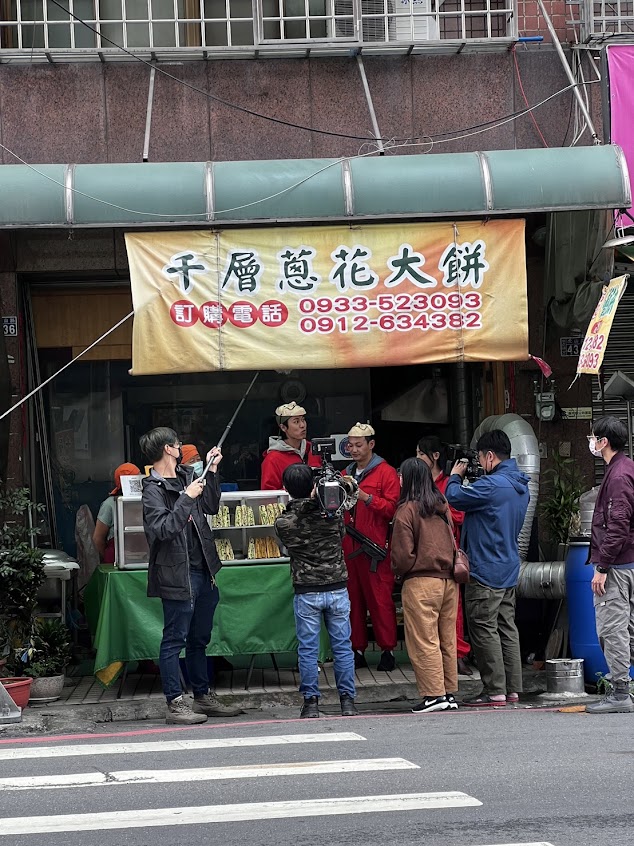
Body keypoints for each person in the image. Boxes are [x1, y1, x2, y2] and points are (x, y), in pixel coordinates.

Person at [140, 426, 241, 725]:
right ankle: (175, 702)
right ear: (168, 449)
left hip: (203, 570)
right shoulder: (153, 489)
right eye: (177, 443)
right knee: (174, 639)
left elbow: (209, 505)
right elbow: (162, 530)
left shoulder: (186, 475)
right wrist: (185, 498)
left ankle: (203, 695)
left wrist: (212, 472)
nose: (181, 446)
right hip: (177, 574)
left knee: (199, 638)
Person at [445, 429, 529, 707]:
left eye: (481, 459)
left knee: (484, 628)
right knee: (507, 628)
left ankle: (494, 690)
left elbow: (454, 496)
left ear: (490, 456)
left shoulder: (493, 486)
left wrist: (456, 474)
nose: (480, 464)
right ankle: (512, 688)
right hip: (508, 567)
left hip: (485, 569)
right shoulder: (521, 485)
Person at [275, 463, 358, 719]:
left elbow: (285, 547)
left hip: (306, 591)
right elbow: (352, 492)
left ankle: (311, 703)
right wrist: (338, 482)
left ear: (287, 489)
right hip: (336, 588)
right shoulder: (332, 515)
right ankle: (347, 702)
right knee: (342, 646)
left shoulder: (284, 522)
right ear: (314, 486)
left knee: (308, 649)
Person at [391, 458, 459, 713]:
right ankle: (449, 691)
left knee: (424, 639)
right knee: (446, 639)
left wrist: (398, 572)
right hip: (448, 582)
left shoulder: (406, 510)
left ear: (407, 480)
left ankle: (434, 695)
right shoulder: (442, 506)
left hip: (421, 582)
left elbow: (402, 556)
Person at [585, 416, 634, 714]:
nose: (590, 442)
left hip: (616, 565)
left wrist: (602, 567)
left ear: (604, 442)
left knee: (613, 628)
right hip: (628, 561)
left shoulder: (617, 475)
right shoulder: (625, 468)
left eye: (593, 437)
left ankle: (619, 694)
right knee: (627, 627)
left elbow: (618, 523)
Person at [343, 422, 401, 671]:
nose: (353, 450)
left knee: (380, 601)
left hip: (376, 549)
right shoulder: (346, 472)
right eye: (350, 445)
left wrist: (367, 498)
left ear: (371, 444)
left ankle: (388, 649)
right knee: (352, 601)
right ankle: (357, 649)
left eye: (358, 445)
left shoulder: (386, 472)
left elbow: (393, 509)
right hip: (349, 547)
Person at [416, 436, 472, 677]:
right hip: (425, 552)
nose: (417, 458)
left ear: (435, 456)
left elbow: (460, 516)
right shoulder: (418, 485)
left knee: (453, 609)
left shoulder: (449, 483)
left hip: (448, 552)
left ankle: (457, 654)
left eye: (421, 454)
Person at [261, 402, 321, 490]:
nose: (302, 425)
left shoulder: (314, 450)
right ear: (283, 427)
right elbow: (268, 496)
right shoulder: (272, 459)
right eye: (296, 422)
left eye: (303, 420)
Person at [92, 463, 141, 563]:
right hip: (115, 560)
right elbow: (98, 538)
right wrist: (109, 559)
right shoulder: (110, 504)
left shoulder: (145, 502)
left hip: (142, 558)